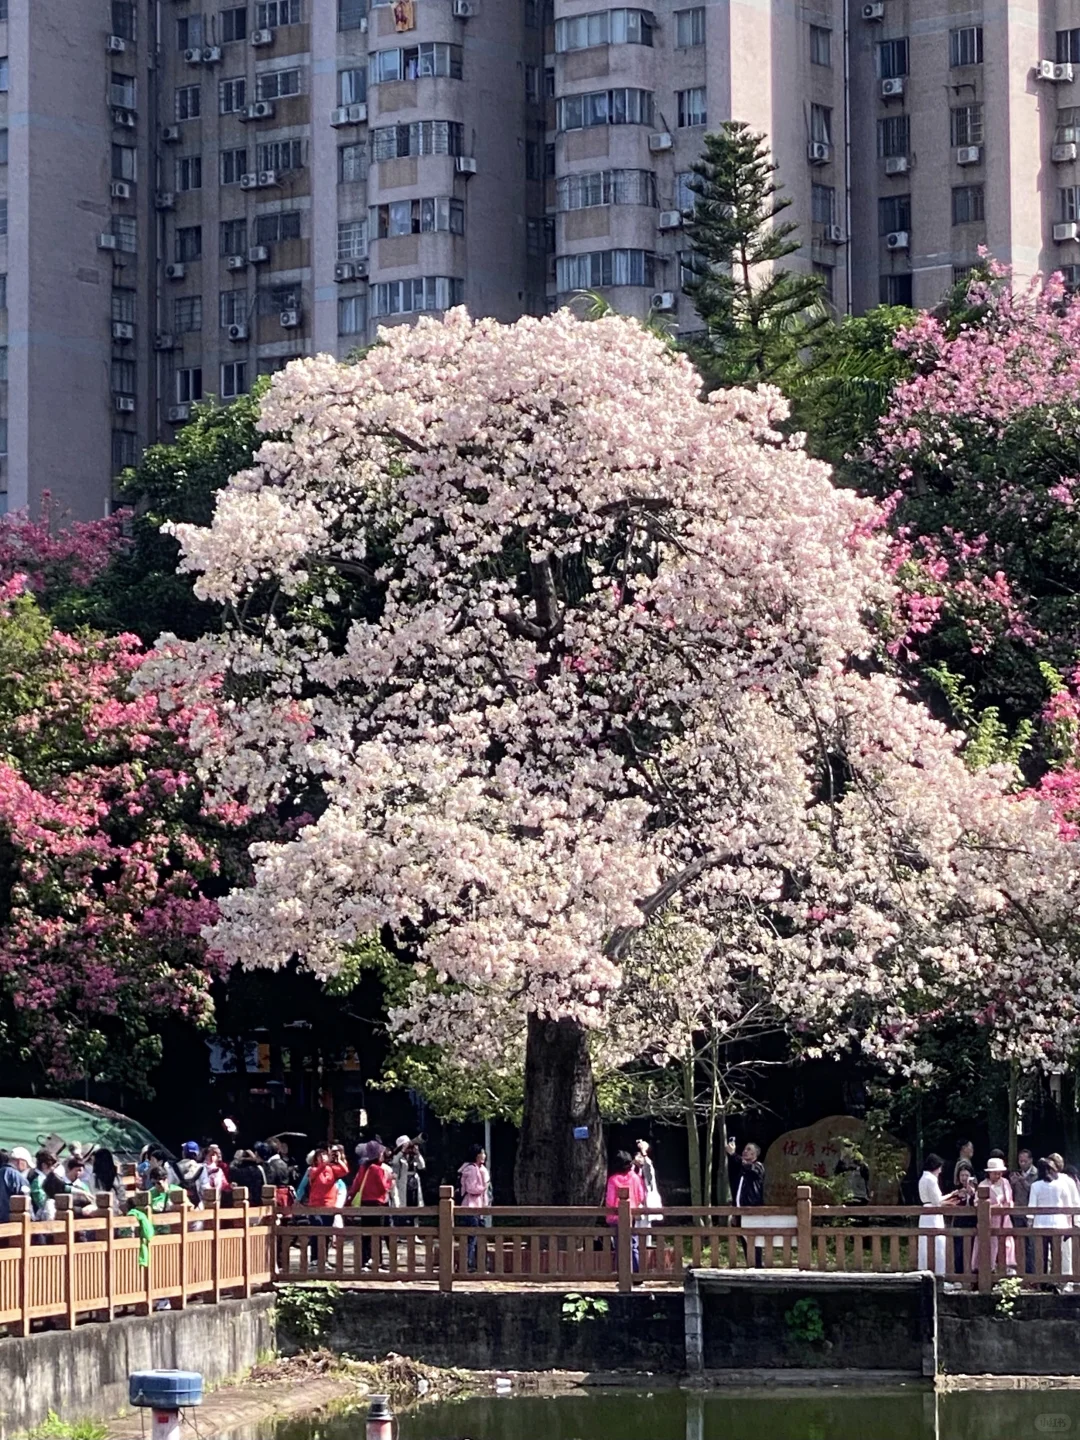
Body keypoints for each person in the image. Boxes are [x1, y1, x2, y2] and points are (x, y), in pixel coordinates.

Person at [348, 1144, 394, 1269]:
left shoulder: (363, 1168)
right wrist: (390, 1180)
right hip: (377, 1203)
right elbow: (383, 1187)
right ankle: (376, 1261)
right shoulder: (378, 1169)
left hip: (365, 1202)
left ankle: (364, 1260)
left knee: (366, 1233)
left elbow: (355, 1185)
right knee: (377, 1233)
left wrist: (350, 1198)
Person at [302, 1146, 348, 1262]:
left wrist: (338, 1160)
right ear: (316, 1159)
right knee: (316, 1231)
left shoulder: (332, 1169)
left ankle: (324, 1259)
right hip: (316, 1205)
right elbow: (315, 1174)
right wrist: (325, 1163)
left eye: (325, 1155)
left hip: (329, 1205)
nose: (323, 1157)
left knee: (327, 1233)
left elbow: (345, 1171)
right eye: (320, 1156)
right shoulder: (312, 1170)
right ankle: (314, 1259)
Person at [971, 1156, 1016, 1276]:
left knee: (1006, 1247)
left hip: (1004, 1221)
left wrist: (1008, 1205)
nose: (998, 1176)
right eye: (995, 1173)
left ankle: (1005, 1272)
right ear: (989, 1173)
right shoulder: (983, 1185)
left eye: (1000, 1173)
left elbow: (1010, 1199)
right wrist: (994, 1207)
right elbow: (977, 1204)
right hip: (989, 1222)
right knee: (988, 1247)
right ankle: (986, 1273)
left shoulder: (1005, 1183)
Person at [726, 1137, 767, 1267]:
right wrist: (734, 1212)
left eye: (749, 1149)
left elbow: (747, 1166)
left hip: (752, 1210)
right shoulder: (741, 1171)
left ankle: (758, 1266)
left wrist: (733, 1154)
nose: (745, 1151)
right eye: (744, 1149)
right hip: (739, 1211)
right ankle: (751, 1265)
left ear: (755, 1154)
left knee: (754, 1241)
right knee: (744, 1240)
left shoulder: (758, 1167)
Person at [605, 1151, 647, 1273]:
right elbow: (641, 1196)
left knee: (619, 1245)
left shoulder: (613, 1180)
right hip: (631, 1216)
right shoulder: (636, 1178)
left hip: (615, 1217)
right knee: (632, 1244)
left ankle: (622, 1272)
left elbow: (610, 1201)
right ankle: (636, 1273)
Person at [458, 1144, 490, 1272]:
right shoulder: (471, 1169)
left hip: (478, 1207)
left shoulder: (479, 1168)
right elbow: (471, 1188)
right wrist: (484, 1187)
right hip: (471, 1206)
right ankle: (468, 1264)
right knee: (471, 1237)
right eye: (481, 1153)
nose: (484, 1156)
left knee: (478, 1236)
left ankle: (479, 1264)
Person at [916, 1153, 949, 1276]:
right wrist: (953, 1195)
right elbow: (937, 1200)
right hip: (933, 1214)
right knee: (937, 1244)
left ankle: (924, 1271)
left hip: (926, 1213)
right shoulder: (930, 1179)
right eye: (939, 1168)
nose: (940, 1171)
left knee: (925, 1243)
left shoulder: (923, 1178)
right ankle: (938, 1274)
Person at [1010, 1146, 1038, 1275]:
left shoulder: (1036, 1174)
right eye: (1020, 1161)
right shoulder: (1016, 1173)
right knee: (1018, 1243)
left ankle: (1031, 1271)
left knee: (1031, 1244)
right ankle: (1020, 1270)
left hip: (1031, 1212)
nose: (1022, 1164)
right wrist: (1012, 1183)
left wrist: (1023, 1181)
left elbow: (1033, 1191)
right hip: (1017, 1211)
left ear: (1031, 1160)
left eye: (1025, 1161)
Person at [390, 1136, 426, 1218]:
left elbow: (422, 1166)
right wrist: (402, 1151)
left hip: (414, 1183)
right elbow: (394, 1163)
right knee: (403, 1205)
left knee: (414, 1204)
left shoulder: (414, 1157)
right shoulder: (398, 1157)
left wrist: (417, 1153)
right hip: (403, 1183)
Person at [633, 1140, 663, 1234]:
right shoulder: (634, 1169)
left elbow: (648, 1166)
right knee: (635, 1228)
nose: (638, 1158)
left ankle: (645, 1247)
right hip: (636, 1202)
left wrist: (644, 1151)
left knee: (645, 1229)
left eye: (640, 1156)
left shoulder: (648, 1169)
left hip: (646, 1202)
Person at [92, 1148, 128, 1216]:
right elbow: (122, 1201)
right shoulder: (116, 1178)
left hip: (97, 1213)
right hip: (114, 1212)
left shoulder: (92, 1178)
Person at [0, 1149, 29, 1225]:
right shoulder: (18, 1177)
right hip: (11, 1223)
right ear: (20, 1161)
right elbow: (25, 1200)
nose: (27, 1168)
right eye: (27, 1164)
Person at [177, 1142, 209, 1207]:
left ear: (184, 1153)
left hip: (178, 1207)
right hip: (197, 1208)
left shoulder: (174, 1167)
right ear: (197, 1154)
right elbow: (205, 1189)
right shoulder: (202, 1168)